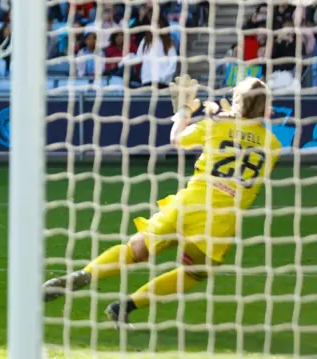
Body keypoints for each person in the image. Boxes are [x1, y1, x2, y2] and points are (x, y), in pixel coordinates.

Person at [43, 76, 282, 327]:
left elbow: (176, 139)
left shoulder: (214, 126)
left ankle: (85, 274)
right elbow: (246, 142)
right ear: (266, 107)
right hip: (218, 221)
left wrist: (184, 111)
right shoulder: (273, 146)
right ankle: (125, 306)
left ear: (236, 101)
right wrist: (230, 116)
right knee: (195, 273)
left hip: (188, 203)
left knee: (136, 249)